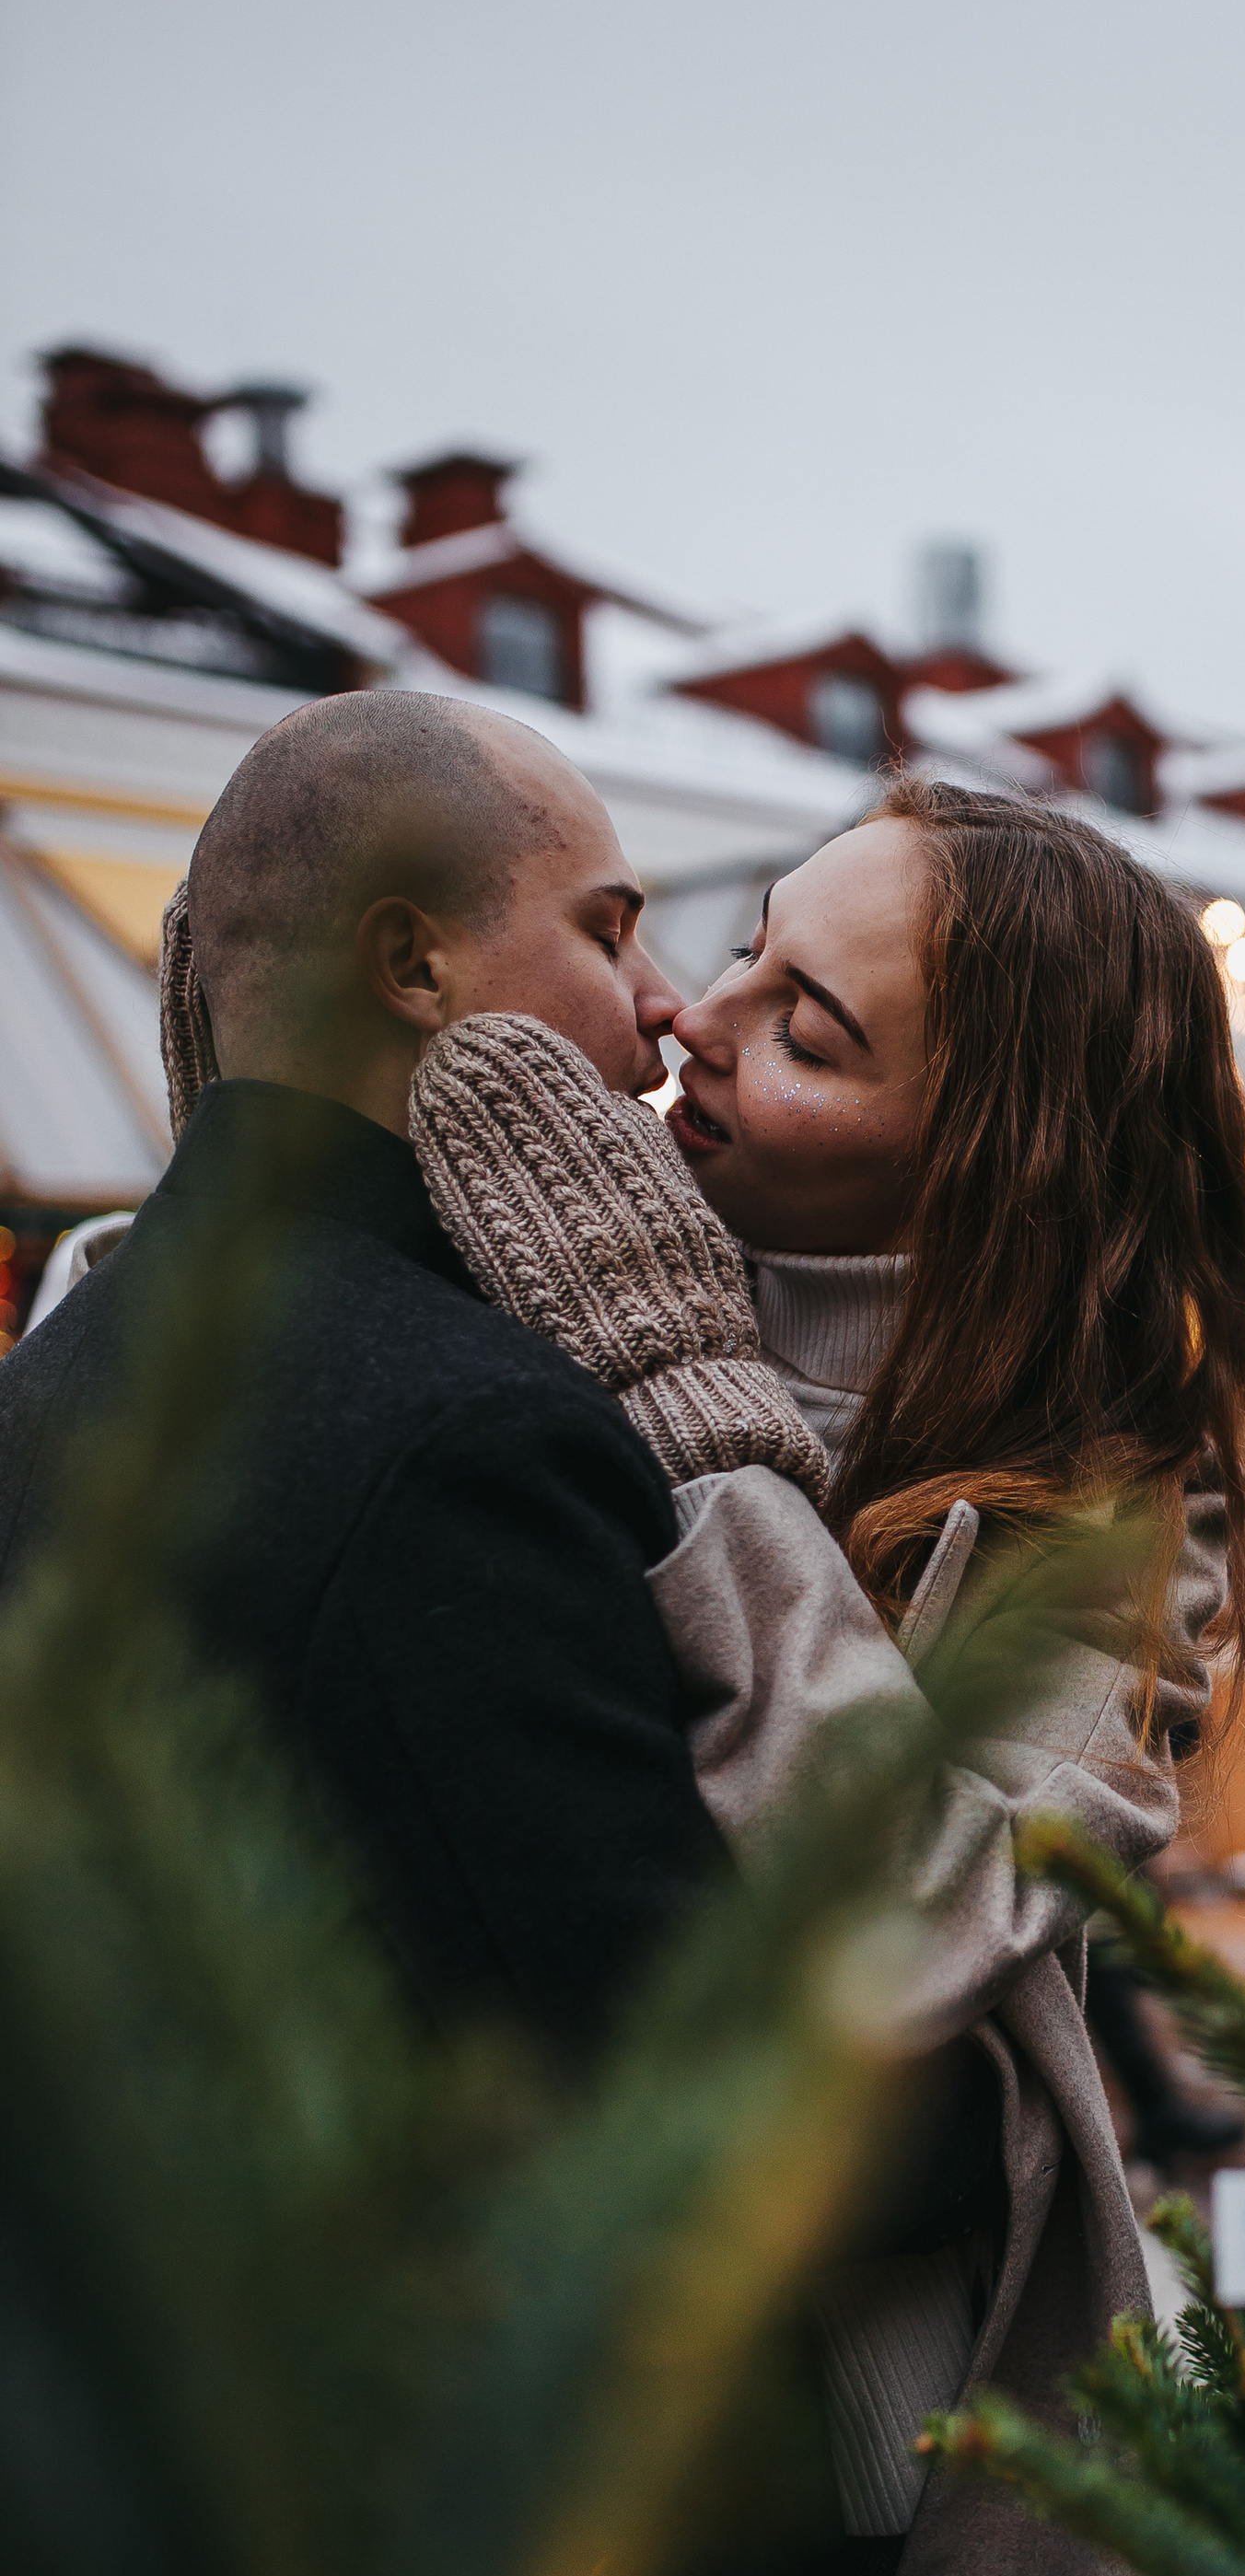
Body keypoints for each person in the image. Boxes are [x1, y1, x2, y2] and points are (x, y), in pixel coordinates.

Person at [391, 779, 1245, 2576]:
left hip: (847, 2462)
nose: (692, 1022)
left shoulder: (1115, 1509)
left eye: (810, 1030)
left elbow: (889, 1914)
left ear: (981, 1162)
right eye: (744, 951)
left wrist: (687, 1412)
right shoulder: (513, 1267)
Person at [0, 690, 790, 2060]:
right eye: (607, 931)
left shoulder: (48, 1373)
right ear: (415, 966)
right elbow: (673, 2069)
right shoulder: (479, 1435)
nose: (666, 1003)